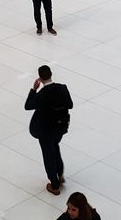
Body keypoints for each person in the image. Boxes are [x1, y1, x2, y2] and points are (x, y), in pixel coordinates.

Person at [25, 65, 73, 195]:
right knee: (55, 146)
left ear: (40, 78)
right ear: (51, 74)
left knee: (48, 154)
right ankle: (60, 173)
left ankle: (54, 184)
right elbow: (70, 105)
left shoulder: (42, 94)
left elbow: (28, 106)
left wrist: (33, 89)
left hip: (45, 130)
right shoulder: (62, 88)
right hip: (60, 127)